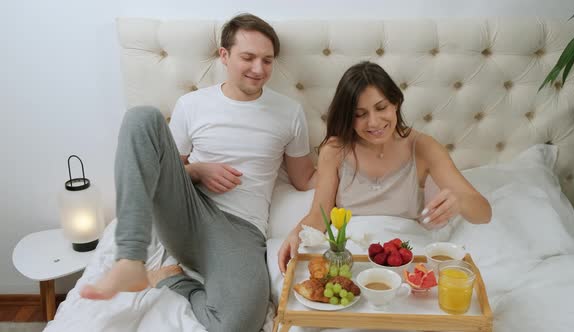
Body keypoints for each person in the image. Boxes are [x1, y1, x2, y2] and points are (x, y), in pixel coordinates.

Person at [79, 13, 316, 332]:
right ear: (224, 55)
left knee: (240, 321)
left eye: (267, 60)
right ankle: (129, 259)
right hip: (186, 210)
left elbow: (304, 179)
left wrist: (341, 159)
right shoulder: (192, 104)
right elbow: (165, 171)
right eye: (248, 57)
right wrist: (198, 171)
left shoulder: (290, 113)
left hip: (241, 229)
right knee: (142, 118)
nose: (258, 69)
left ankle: (173, 280)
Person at [278, 61, 491, 274]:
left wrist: (459, 202)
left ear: (396, 103)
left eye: (381, 108)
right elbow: (319, 214)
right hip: (349, 253)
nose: (374, 122)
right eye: (360, 114)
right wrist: (296, 234)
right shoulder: (334, 150)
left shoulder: (424, 147)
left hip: (405, 253)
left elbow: (484, 213)